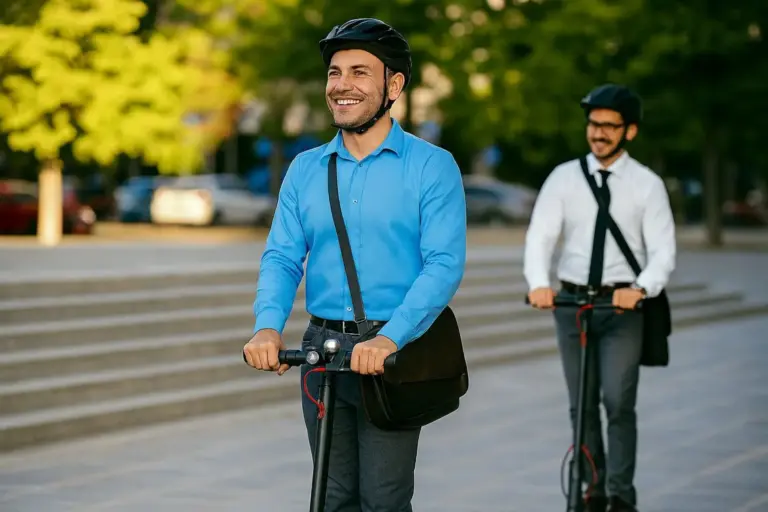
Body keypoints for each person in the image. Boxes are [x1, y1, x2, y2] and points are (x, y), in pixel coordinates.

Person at [242, 18, 467, 512]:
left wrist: (390, 338)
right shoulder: (305, 169)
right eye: (335, 72)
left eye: (359, 72)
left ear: (393, 86)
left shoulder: (431, 165)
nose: (342, 85)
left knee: (383, 501)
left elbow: (444, 264)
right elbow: (282, 255)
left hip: (393, 351)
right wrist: (267, 327)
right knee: (331, 497)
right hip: (319, 353)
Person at [523, 84, 676, 512]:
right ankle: (591, 490)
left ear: (629, 132)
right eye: (594, 124)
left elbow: (663, 251)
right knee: (582, 403)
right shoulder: (564, 177)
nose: (599, 133)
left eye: (610, 126)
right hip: (571, 305)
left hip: (622, 307)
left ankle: (622, 496)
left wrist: (641, 288)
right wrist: (538, 282)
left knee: (617, 401)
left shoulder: (647, 185)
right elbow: (540, 236)